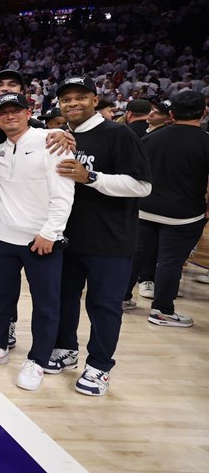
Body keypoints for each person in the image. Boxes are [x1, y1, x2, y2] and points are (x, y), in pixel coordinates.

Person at [51, 75, 151, 396]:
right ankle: (66, 348)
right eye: (66, 99)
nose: (73, 103)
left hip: (111, 240)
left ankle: (99, 366)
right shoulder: (63, 137)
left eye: (80, 96)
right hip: (70, 237)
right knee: (65, 299)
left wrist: (91, 176)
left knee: (104, 306)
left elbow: (142, 186)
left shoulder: (118, 134)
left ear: (95, 100)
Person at [0, 93, 75, 391]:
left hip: (39, 239)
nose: (9, 116)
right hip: (1, 236)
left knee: (45, 303)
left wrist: (51, 232)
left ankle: (37, 359)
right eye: (3, 112)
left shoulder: (52, 142)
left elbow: (64, 193)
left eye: (16, 111)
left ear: (29, 113)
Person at [128, 90, 209, 328]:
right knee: (170, 262)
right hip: (184, 214)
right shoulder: (206, 141)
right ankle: (162, 310)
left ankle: (120, 298)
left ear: (171, 113)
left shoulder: (151, 137)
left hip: (144, 207)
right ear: (204, 112)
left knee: (136, 255)